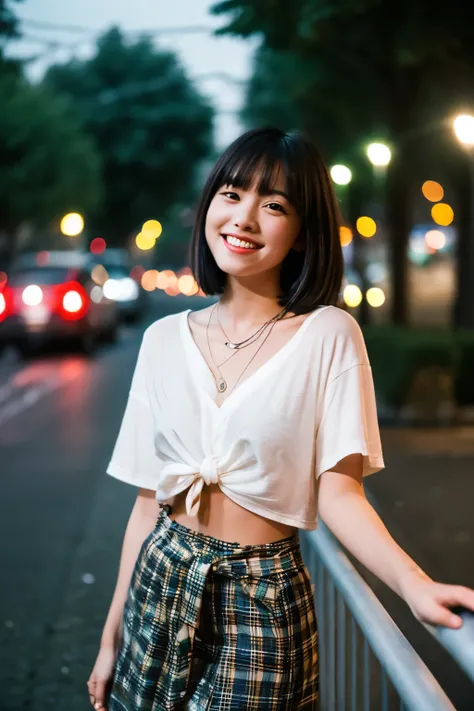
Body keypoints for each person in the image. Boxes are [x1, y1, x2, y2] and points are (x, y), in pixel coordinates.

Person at [87, 127, 474, 710]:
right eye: (232, 194)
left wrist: (414, 585)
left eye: (273, 205)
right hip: (160, 581)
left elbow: (341, 495)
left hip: (263, 598)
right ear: (210, 204)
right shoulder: (162, 340)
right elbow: (149, 502)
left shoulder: (328, 335)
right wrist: (111, 629)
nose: (244, 218)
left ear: (300, 234)